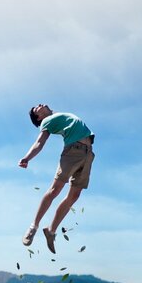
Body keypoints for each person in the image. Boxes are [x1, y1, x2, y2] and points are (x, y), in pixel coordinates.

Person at [18, 104, 95, 254]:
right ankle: (33, 226)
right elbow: (39, 143)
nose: (39, 105)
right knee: (55, 190)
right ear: (39, 118)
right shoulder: (47, 122)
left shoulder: (58, 114)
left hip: (88, 154)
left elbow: (54, 113)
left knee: (74, 196)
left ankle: (51, 231)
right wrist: (27, 158)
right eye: (36, 109)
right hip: (73, 151)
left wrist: (49, 111)